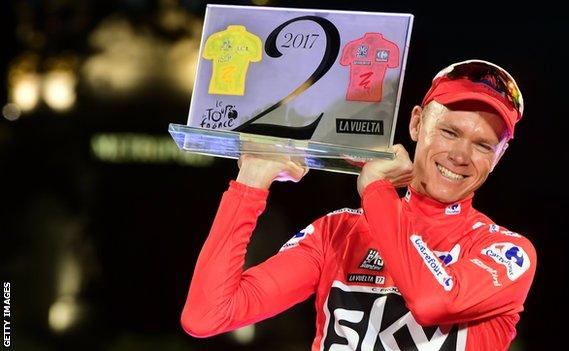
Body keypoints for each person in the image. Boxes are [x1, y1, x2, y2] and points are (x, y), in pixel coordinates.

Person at [180, 59, 536, 351]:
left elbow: (430, 301)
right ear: (416, 123)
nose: (460, 155)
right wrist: (251, 182)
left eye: (483, 145)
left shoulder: (506, 252)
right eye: (449, 132)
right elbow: (207, 316)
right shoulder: (338, 232)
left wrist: (377, 191)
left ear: (500, 156)